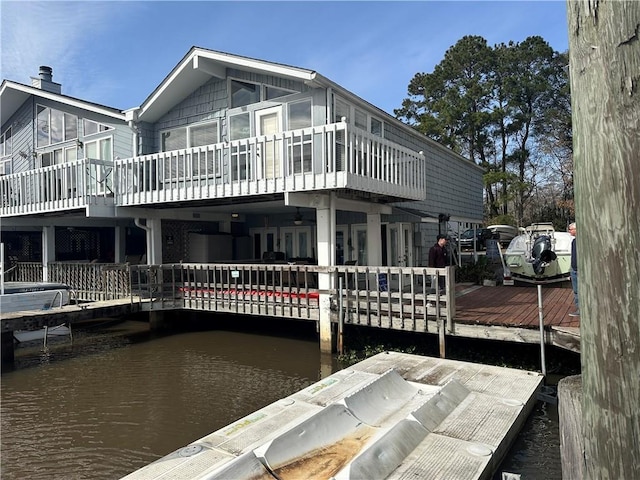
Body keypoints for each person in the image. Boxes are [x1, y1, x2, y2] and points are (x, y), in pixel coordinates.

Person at [568, 222, 579, 316]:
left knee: (579, 290)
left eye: (570, 229)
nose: (569, 231)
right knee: (576, 291)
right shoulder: (574, 241)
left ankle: (580, 309)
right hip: (574, 268)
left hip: (579, 270)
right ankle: (578, 308)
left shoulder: (580, 241)